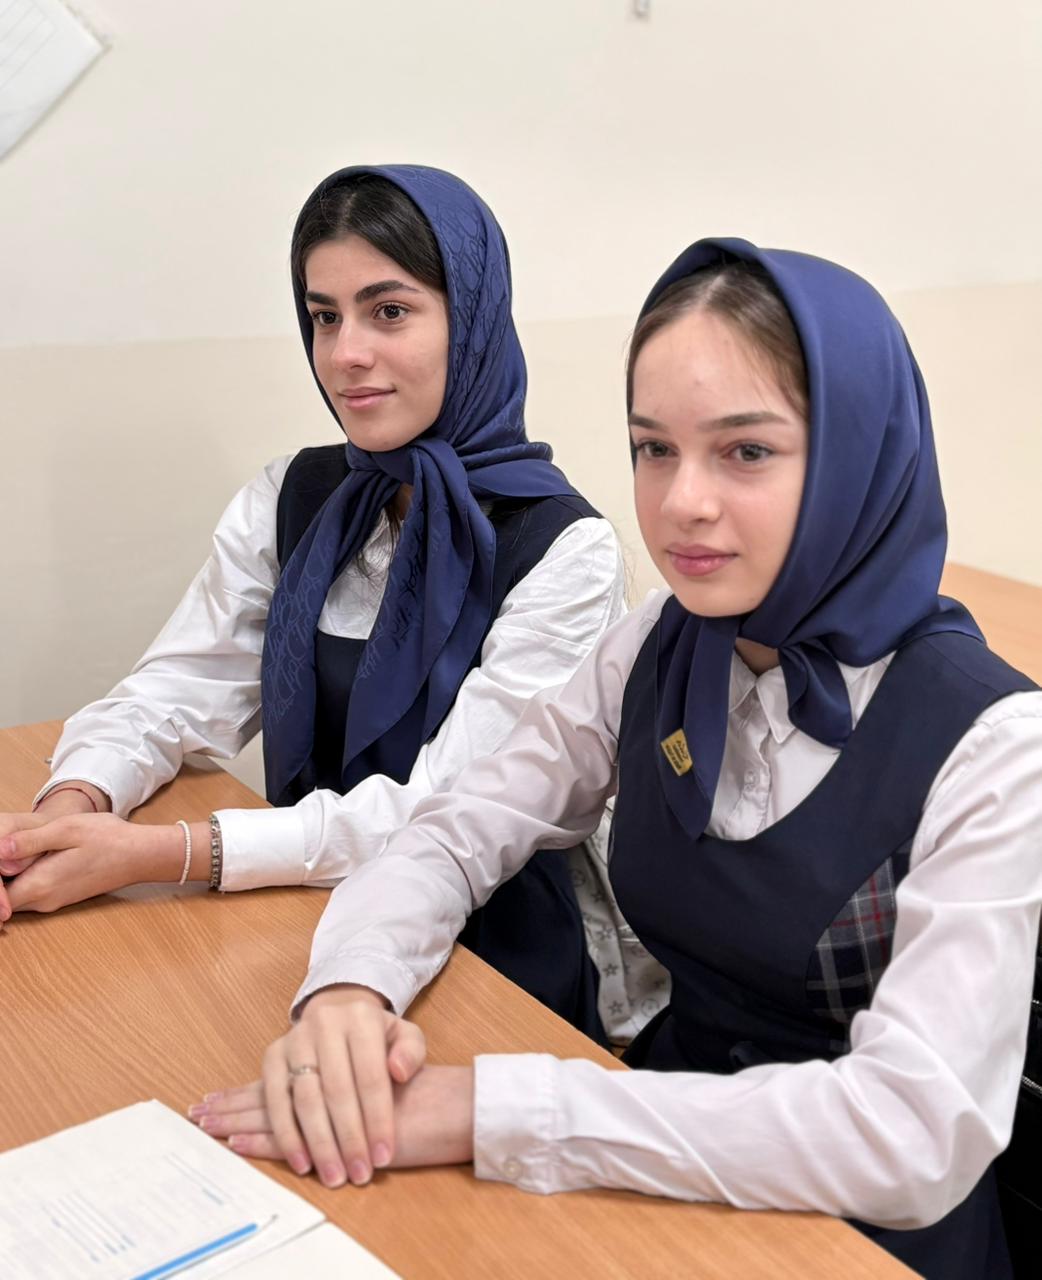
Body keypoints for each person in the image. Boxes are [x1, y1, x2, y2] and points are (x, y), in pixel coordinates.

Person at [192, 238, 1042, 1279]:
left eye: (746, 451)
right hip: (645, 1175)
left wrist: (494, 1107)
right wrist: (348, 995)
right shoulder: (658, 643)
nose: (682, 502)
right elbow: (457, 829)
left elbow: (911, 1134)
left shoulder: (994, 743)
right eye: (652, 448)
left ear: (859, 457)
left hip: (860, 1237)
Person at [0, 164, 666, 1042]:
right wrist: (66, 814)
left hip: (486, 956)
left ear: (470, 321)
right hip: (291, 913)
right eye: (324, 316)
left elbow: (449, 815)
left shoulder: (562, 549)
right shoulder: (296, 496)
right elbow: (175, 691)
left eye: (388, 311)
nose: (346, 353)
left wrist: (171, 852)